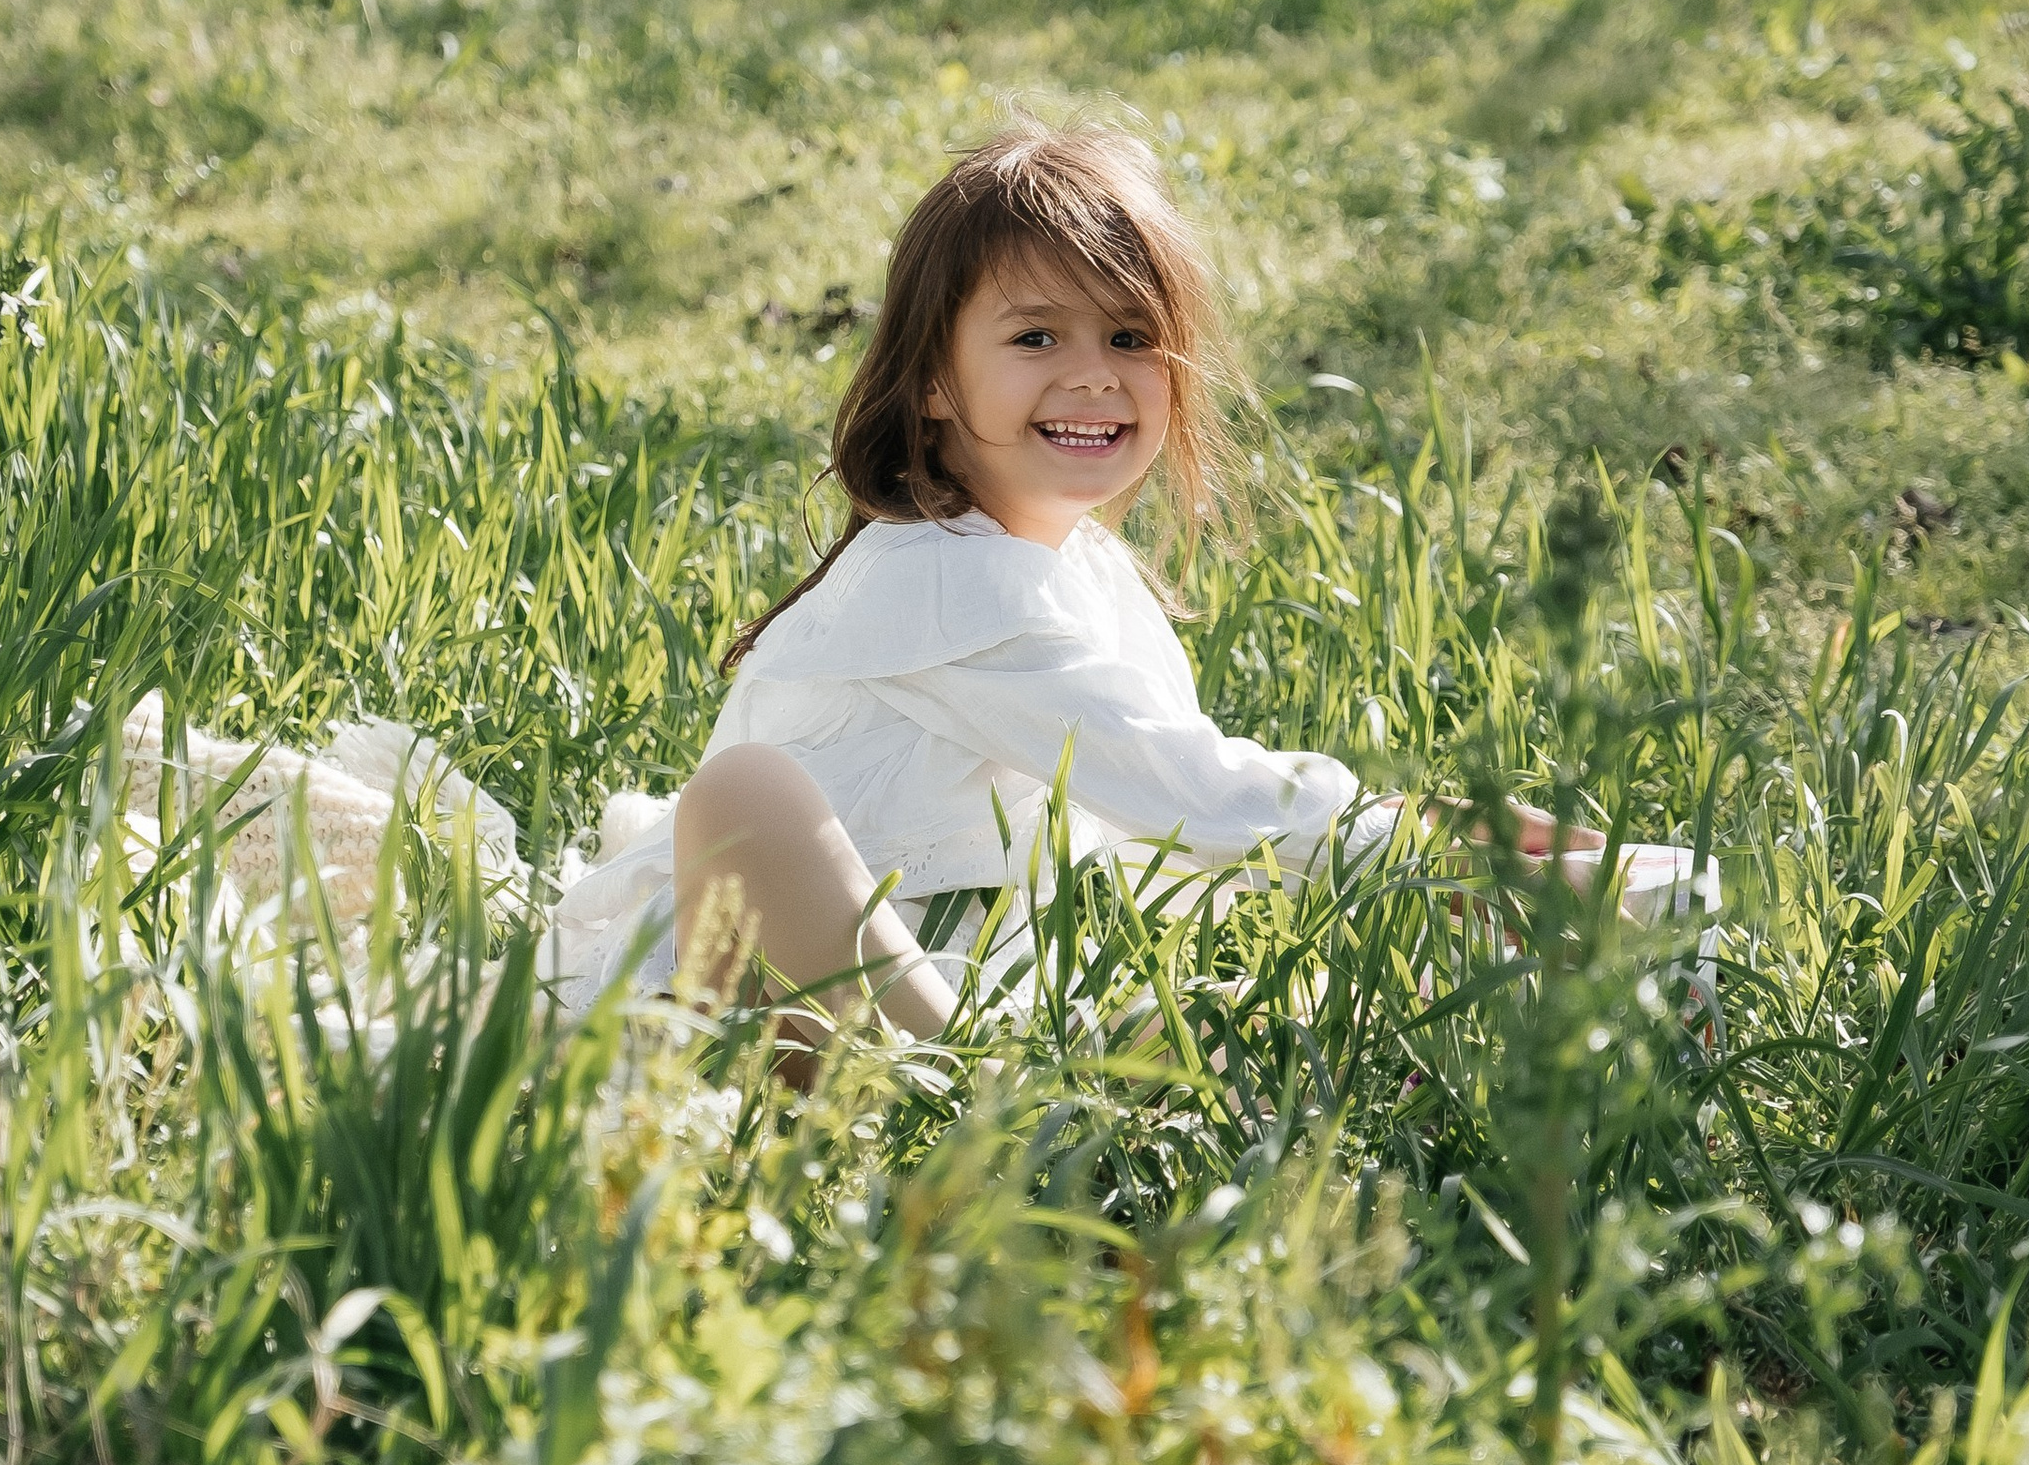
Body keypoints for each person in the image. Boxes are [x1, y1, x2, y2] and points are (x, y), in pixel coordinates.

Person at [548, 119, 1439, 1041]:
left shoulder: (1089, 575)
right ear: (933, 379)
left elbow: (1159, 828)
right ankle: (984, 1096)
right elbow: (1195, 793)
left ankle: (979, 1079)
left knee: (1182, 1025)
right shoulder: (943, 576)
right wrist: (1419, 841)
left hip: (922, 996)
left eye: (1131, 336)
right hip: (746, 979)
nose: (1094, 375)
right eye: (1037, 337)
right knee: (744, 798)